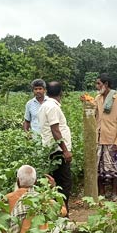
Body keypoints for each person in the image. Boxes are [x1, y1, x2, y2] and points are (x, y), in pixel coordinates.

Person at [4, 165, 68, 233]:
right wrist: (54, 189)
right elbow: (63, 211)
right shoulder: (42, 199)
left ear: (17, 181)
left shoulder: (7, 199)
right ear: (35, 182)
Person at [38, 81, 73, 211]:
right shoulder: (52, 107)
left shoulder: (45, 106)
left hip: (52, 149)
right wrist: (65, 151)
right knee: (64, 184)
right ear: (61, 93)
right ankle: (63, 214)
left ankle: (59, 213)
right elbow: (55, 130)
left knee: (56, 184)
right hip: (58, 151)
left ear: (46, 91)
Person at [94, 74, 117, 200]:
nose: (97, 86)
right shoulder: (97, 98)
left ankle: (114, 192)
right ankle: (101, 192)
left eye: (99, 84)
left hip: (111, 137)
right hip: (98, 137)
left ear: (106, 84)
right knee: (98, 166)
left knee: (113, 167)